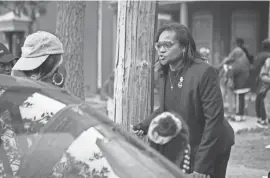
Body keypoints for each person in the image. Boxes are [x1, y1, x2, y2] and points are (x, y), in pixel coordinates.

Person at [133, 22, 234, 178]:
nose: (161, 50)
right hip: (188, 144)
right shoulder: (165, 72)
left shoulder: (204, 72)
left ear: (184, 47)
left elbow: (214, 121)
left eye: (167, 45)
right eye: (158, 45)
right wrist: (142, 126)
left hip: (213, 146)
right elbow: (165, 110)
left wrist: (201, 166)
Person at [218, 38, 251, 121]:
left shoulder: (239, 61)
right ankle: (241, 115)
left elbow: (235, 70)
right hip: (244, 82)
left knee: (238, 100)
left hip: (240, 84)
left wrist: (228, 68)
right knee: (241, 100)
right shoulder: (245, 58)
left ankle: (238, 116)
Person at [253, 39, 270, 125]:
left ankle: (258, 117)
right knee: (264, 99)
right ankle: (263, 118)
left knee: (259, 97)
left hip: (258, 78)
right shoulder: (268, 56)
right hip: (265, 79)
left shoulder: (258, 55)